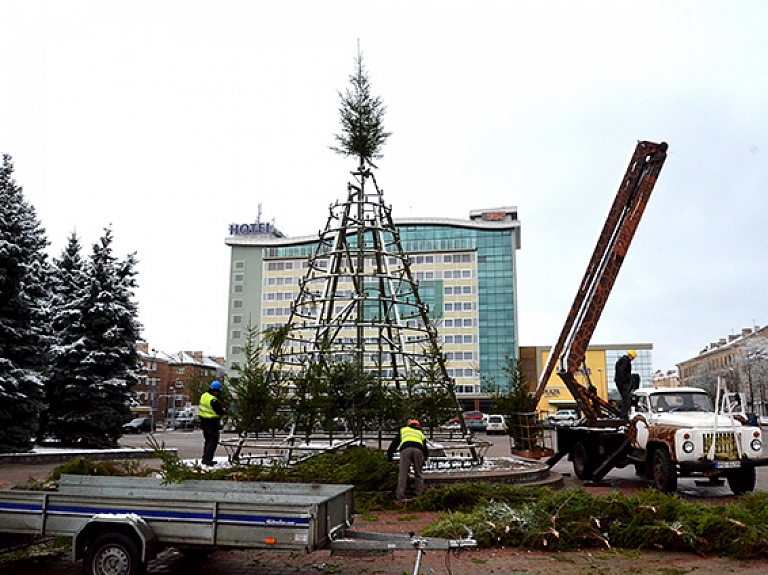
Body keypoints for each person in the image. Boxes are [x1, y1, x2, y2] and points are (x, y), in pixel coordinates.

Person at [387, 419, 429, 502]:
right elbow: (425, 448)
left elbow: (394, 443)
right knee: (418, 473)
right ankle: (419, 495)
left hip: (406, 450)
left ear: (409, 425)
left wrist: (389, 456)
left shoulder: (403, 430)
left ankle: (400, 496)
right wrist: (425, 458)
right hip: (418, 451)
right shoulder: (420, 433)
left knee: (403, 473)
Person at [199, 381, 225, 466]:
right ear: (216, 390)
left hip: (203, 421)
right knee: (213, 440)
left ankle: (205, 457)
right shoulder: (213, 400)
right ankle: (208, 459)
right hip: (211, 422)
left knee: (208, 440)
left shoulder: (204, 396)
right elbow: (219, 411)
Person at [614, 350, 637, 419]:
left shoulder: (622, 360)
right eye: (633, 358)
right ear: (631, 356)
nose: (632, 359)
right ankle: (624, 415)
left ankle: (623, 414)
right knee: (627, 399)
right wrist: (624, 382)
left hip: (619, 382)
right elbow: (621, 371)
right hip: (622, 382)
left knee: (625, 398)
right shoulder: (626, 361)